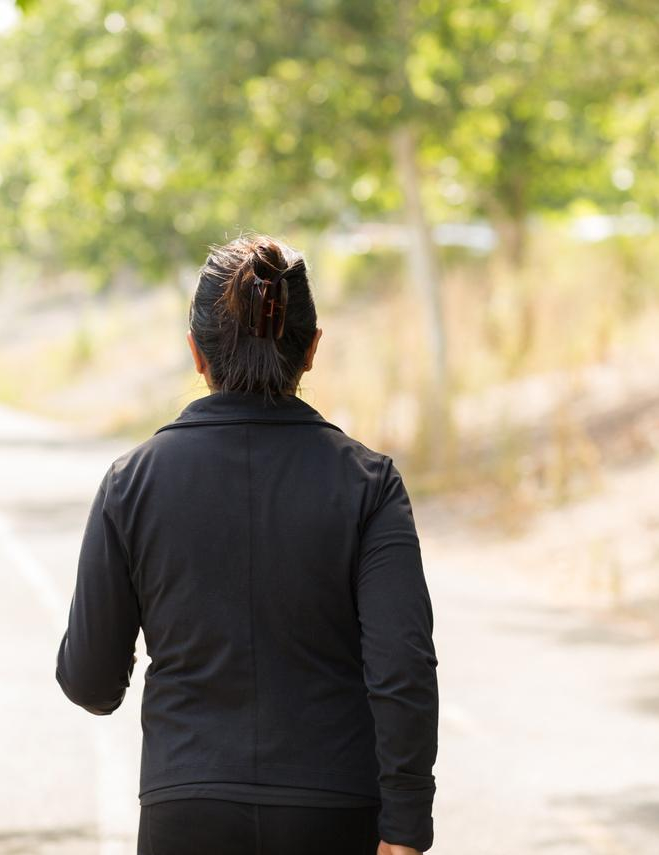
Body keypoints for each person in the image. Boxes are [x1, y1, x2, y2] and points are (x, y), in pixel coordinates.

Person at [55, 234, 439, 854]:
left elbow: (92, 683)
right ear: (311, 350)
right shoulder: (369, 484)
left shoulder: (133, 483)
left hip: (186, 810)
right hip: (335, 812)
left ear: (196, 353)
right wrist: (405, 823)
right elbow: (404, 666)